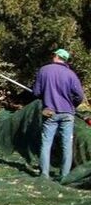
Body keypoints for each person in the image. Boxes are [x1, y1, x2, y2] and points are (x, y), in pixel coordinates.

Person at [32, 48, 85, 180]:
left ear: (56, 56)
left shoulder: (44, 70)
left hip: (50, 112)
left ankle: (44, 174)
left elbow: (36, 92)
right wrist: (73, 105)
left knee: (46, 143)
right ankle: (65, 176)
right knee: (66, 145)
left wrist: (45, 95)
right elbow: (79, 95)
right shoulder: (71, 74)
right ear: (65, 59)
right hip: (68, 113)